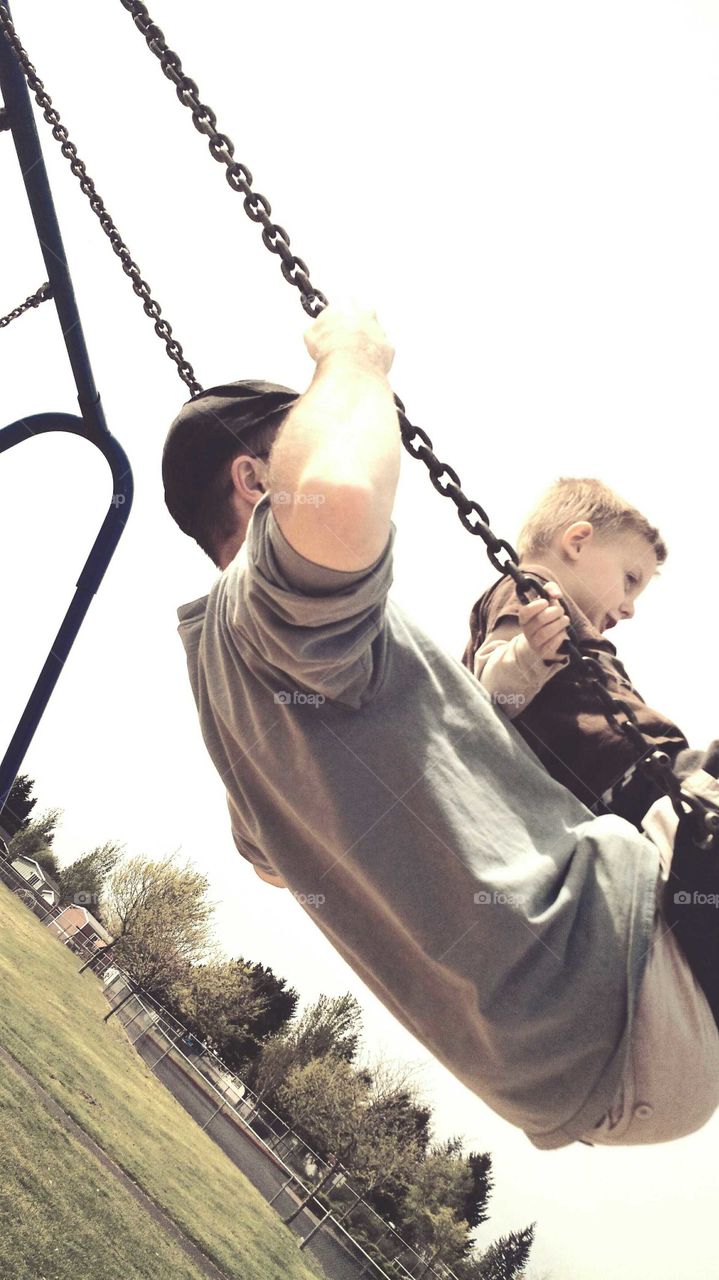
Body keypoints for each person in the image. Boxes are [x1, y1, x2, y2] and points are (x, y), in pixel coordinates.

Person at [162, 304, 719, 1150]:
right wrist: (352, 360)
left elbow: (271, 858)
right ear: (256, 482)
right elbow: (341, 496)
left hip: (579, 1074)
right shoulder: (273, 610)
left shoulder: (226, 702)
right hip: (622, 972)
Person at [460, 478, 689, 829]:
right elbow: (487, 695)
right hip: (639, 775)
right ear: (577, 543)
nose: (629, 609)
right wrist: (529, 652)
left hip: (641, 783)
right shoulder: (529, 588)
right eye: (629, 579)